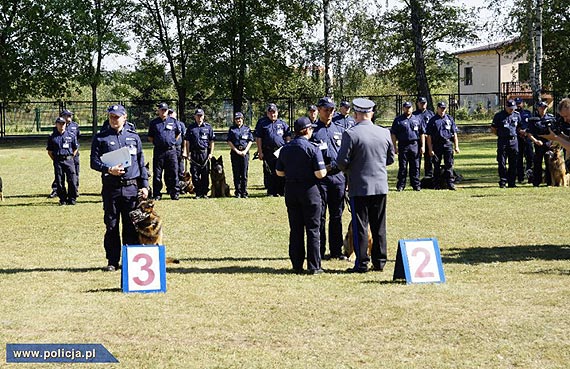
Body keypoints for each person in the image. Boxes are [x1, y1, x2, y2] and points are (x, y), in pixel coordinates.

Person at [335, 98, 394, 273]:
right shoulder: (384, 132)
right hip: (380, 186)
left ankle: (361, 263)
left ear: (356, 114)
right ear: (372, 114)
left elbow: (342, 162)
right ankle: (380, 261)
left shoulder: (350, 134)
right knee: (379, 225)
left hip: (359, 186)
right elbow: (390, 159)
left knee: (360, 225)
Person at [90, 104, 149, 271]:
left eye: (117, 117)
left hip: (131, 188)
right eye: (111, 117)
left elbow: (141, 162)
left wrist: (144, 186)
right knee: (112, 225)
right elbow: (93, 162)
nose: (114, 120)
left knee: (131, 226)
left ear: (125, 117)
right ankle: (112, 261)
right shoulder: (101, 137)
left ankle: (132, 262)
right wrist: (109, 169)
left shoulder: (133, 137)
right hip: (111, 188)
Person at [276, 117, 327, 275]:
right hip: (310, 191)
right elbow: (320, 174)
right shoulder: (313, 148)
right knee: (313, 229)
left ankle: (297, 264)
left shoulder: (285, 148)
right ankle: (314, 266)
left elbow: (279, 172)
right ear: (307, 130)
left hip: (291, 190)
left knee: (296, 229)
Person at [310, 96, 350, 260]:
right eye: (326, 110)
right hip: (320, 179)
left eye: (332, 110)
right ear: (319, 110)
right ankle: (319, 250)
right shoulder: (312, 130)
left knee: (336, 216)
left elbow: (346, 155)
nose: (329, 113)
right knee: (319, 215)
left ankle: (336, 251)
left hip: (338, 178)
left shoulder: (340, 129)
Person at [255, 103, 291, 197]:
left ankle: (281, 190)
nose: (272, 114)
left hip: (280, 151)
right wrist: (260, 151)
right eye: (270, 112)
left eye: (274, 112)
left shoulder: (282, 123)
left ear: (277, 113)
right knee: (269, 172)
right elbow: (259, 138)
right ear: (267, 113)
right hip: (268, 151)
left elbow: (287, 136)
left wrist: (287, 147)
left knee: (281, 170)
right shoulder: (262, 123)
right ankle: (271, 191)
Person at [148, 102, 181, 200]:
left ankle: (174, 193)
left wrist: (172, 141)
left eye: (165, 110)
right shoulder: (154, 123)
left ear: (167, 111)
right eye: (161, 110)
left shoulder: (173, 121)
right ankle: (157, 194)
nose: (163, 112)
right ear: (158, 111)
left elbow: (178, 133)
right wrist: (159, 143)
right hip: (159, 151)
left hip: (171, 151)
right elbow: (150, 137)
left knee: (173, 173)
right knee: (157, 174)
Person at [426, 102, 460, 190]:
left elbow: (454, 133)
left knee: (449, 164)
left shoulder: (449, 119)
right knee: (436, 165)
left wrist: (456, 146)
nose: (442, 110)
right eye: (441, 108)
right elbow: (429, 136)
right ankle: (436, 184)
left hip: (448, 144)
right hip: (437, 144)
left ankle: (450, 183)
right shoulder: (433, 120)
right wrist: (430, 149)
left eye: (444, 108)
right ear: (437, 109)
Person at [48, 109, 81, 198]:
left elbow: (77, 138)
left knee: (74, 174)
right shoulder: (57, 127)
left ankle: (74, 191)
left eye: (70, 115)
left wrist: (73, 154)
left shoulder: (75, 126)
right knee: (59, 175)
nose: (69, 117)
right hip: (60, 154)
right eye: (67, 115)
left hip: (72, 153)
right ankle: (56, 190)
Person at [391, 101, 422, 191]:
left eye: (409, 107)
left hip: (414, 145)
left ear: (412, 108)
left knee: (415, 166)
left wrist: (422, 146)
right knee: (403, 166)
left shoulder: (417, 119)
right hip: (403, 145)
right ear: (403, 108)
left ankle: (416, 185)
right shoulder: (398, 120)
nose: (408, 109)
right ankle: (401, 185)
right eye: (406, 107)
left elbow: (422, 133)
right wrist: (394, 147)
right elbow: (393, 134)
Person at [184, 108, 215, 198]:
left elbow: (212, 141)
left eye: (201, 115)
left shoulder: (208, 127)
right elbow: (187, 141)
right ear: (195, 116)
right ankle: (198, 192)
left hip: (204, 153)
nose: (199, 117)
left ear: (203, 116)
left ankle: (204, 192)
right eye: (198, 115)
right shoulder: (191, 128)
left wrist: (211, 153)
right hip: (194, 153)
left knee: (205, 173)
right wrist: (187, 153)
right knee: (195, 174)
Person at [491, 99, 521, 188]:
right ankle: (503, 181)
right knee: (502, 162)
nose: (512, 110)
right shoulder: (499, 116)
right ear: (506, 107)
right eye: (510, 108)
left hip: (514, 141)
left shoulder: (517, 115)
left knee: (514, 162)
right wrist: (501, 135)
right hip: (503, 141)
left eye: (513, 108)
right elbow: (493, 129)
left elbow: (519, 127)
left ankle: (512, 182)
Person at [526, 101, 554, 187]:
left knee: (549, 163)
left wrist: (552, 142)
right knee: (537, 164)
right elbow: (529, 133)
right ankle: (536, 182)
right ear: (538, 108)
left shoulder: (551, 118)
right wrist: (535, 141)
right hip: (538, 144)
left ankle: (549, 182)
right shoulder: (533, 120)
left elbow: (555, 132)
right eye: (541, 108)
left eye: (545, 108)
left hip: (549, 144)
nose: (543, 109)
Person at [227, 112, 254, 198]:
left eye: (240, 118)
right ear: (234, 120)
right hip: (235, 153)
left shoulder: (247, 129)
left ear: (243, 119)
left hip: (245, 153)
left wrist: (245, 151)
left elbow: (250, 141)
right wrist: (236, 151)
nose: (238, 120)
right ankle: (237, 192)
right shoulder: (232, 129)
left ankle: (244, 192)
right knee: (236, 173)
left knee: (244, 173)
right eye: (237, 119)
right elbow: (229, 141)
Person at [412, 97, 435, 177]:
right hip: (418, 139)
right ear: (418, 104)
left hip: (428, 139)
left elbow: (434, 126)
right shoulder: (414, 115)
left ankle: (428, 176)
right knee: (416, 159)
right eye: (421, 103)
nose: (423, 105)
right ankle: (416, 177)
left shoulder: (431, 114)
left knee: (429, 158)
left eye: (424, 103)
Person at [515, 98, 534, 183]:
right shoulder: (513, 114)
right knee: (518, 159)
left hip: (527, 138)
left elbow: (531, 124)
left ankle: (530, 176)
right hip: (517, 139)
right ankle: (520, 177)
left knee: (530, 157)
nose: (518, 105)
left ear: (523, 104)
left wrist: (526, 131)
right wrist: (519, 131)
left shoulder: (528, 113)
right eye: (517, 103)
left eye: (519, 103)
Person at [169, 108, 187, 183]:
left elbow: (185, 138)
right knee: (170, 167)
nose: (170, 115)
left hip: (178, 148)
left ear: (176, 115)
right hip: (169, 149)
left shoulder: (180, 124)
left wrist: (185, 150)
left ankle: (181, 186)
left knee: (180, 167)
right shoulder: (165, 124)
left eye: (172, 113)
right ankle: (170, 186)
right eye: (169, 113)